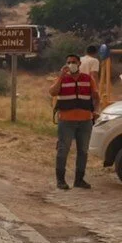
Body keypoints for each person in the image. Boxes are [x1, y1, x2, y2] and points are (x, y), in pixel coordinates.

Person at [49, 53, 100, 190]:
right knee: (63, 150)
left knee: (83, 151)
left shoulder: (88, 79)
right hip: (66, 121)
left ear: (79, 63)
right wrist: (60, 76)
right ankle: (60, 180)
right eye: (69, 62)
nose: (71, 64)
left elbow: (96, 96)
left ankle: (79, 179)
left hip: (85, 121)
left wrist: (95, 111)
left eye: (73, 61)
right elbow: (52, 92)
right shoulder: (62, 79)